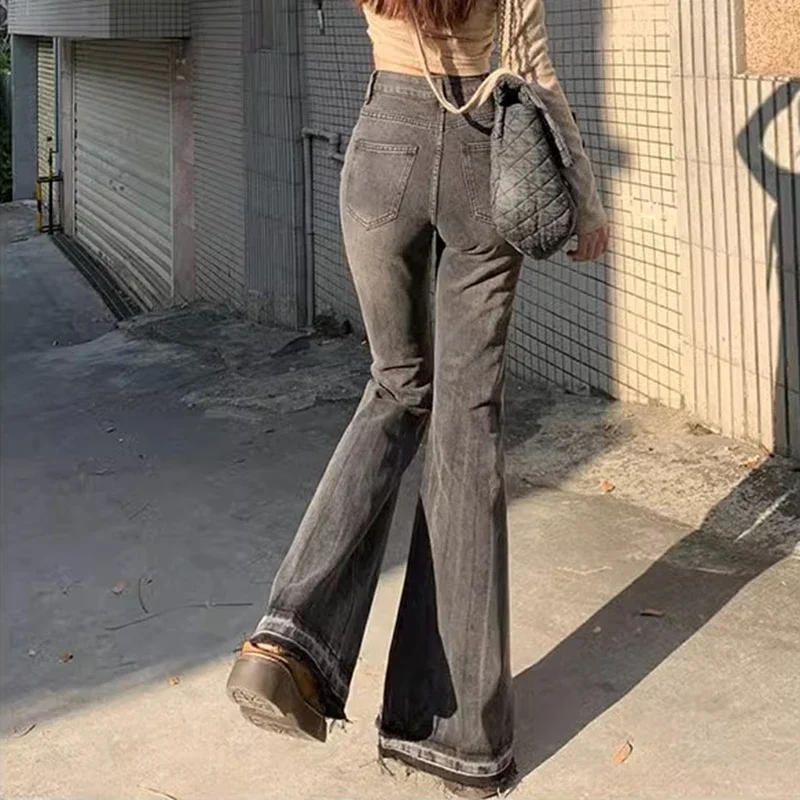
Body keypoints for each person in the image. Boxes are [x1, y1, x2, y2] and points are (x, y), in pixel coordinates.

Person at [227, 0, 609, 794]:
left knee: (396, 387)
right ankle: (456, 736)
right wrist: (586, 199)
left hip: (384, 147)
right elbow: (535, 70)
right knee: (468, 423)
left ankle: (288, 637)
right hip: (482, 155)